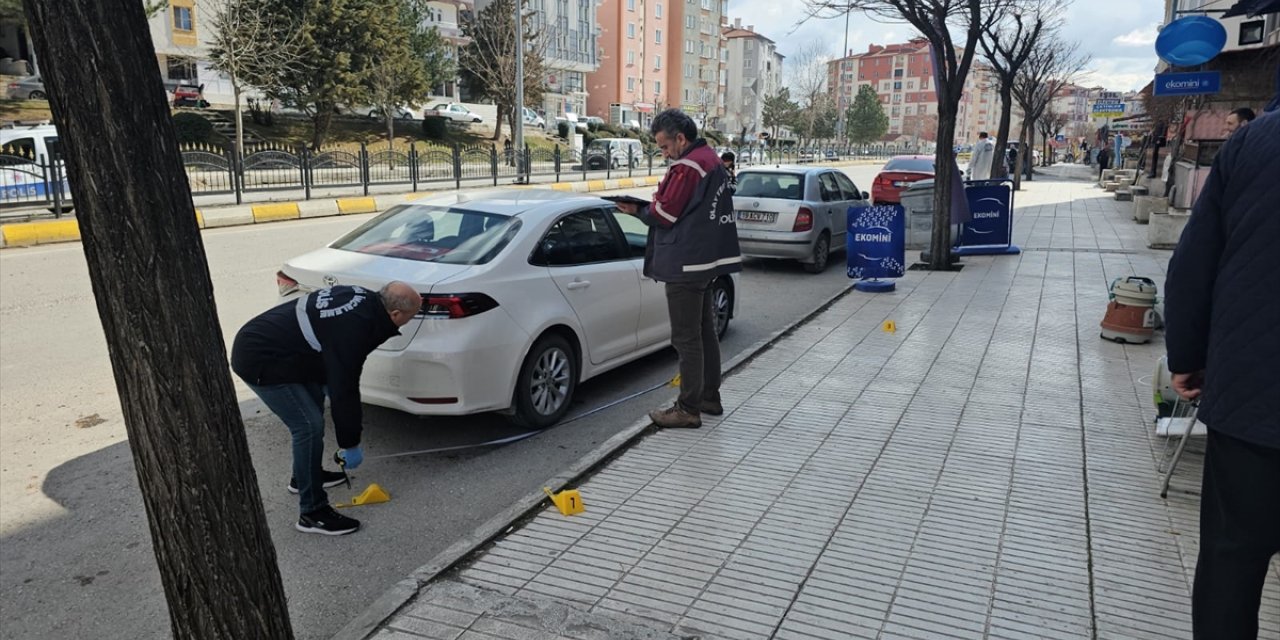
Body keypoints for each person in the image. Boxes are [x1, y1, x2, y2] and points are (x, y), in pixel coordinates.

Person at [1165, 111, 1280, 640]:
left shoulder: (1258, 140)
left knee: (1232, 558)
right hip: (1255, 392)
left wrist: (1186, 357)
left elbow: (1196, 258)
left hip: (1255, 395)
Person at [231, 282, 423, 535]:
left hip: (289, 352)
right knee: (308, 426)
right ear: (395, 315)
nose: (409, 322)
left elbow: (330, 354)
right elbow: (345, 386)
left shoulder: (365, 301)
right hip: (260, 358)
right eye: (410, 317)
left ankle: (303, 478)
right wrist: (350, 443)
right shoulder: (357, 328)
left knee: (313, 404)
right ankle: (312, 513)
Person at [614, 109, 741, 429]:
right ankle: (709, 397)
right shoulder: (710, 157)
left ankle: (687, 408)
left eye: (664, 146)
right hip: (706, 259)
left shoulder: (687, 167)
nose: (664, 153)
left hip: (685, 261)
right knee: (704, 332)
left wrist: (638, 209)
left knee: (686, 339)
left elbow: (665, 215)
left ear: (680, 138)